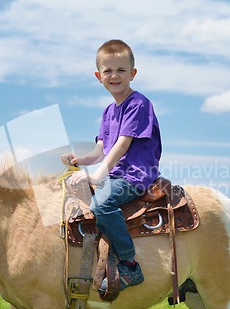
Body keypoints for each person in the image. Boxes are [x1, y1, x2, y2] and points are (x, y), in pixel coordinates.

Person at [61, 39, 162, 292]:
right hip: (114, 174)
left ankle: (129, 263)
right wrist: (80, 161)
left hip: (134, 176)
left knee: (102, 204)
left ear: (133, 74)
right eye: (108, 71)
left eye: (121, 70)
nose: (114, 76)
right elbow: (101, 150)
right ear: (98, 76)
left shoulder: (139, 104)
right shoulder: (108, 112)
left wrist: (95, 176)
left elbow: (122, 145)